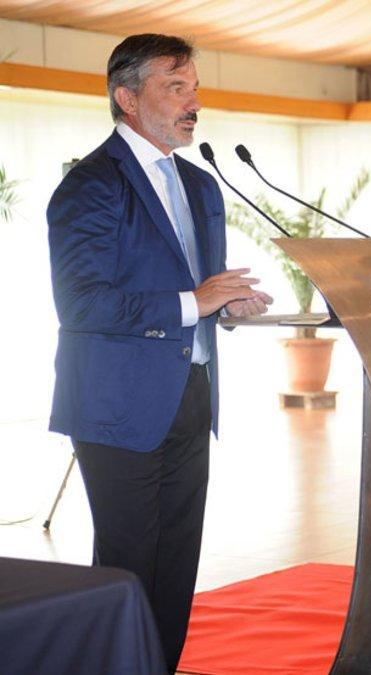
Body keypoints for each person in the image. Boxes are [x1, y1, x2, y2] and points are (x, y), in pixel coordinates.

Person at [46, 34, 272, 669]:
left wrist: (225, 307)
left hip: (190, 393)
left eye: (194, 88)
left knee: (177, 561)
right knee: (126, 566)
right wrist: (193, 302)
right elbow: (82, 304)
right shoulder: (91, 186)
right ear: (128, 98)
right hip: (117, 403)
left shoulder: (200, 185)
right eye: (176, 88)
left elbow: (200, 289)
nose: (193, 102)